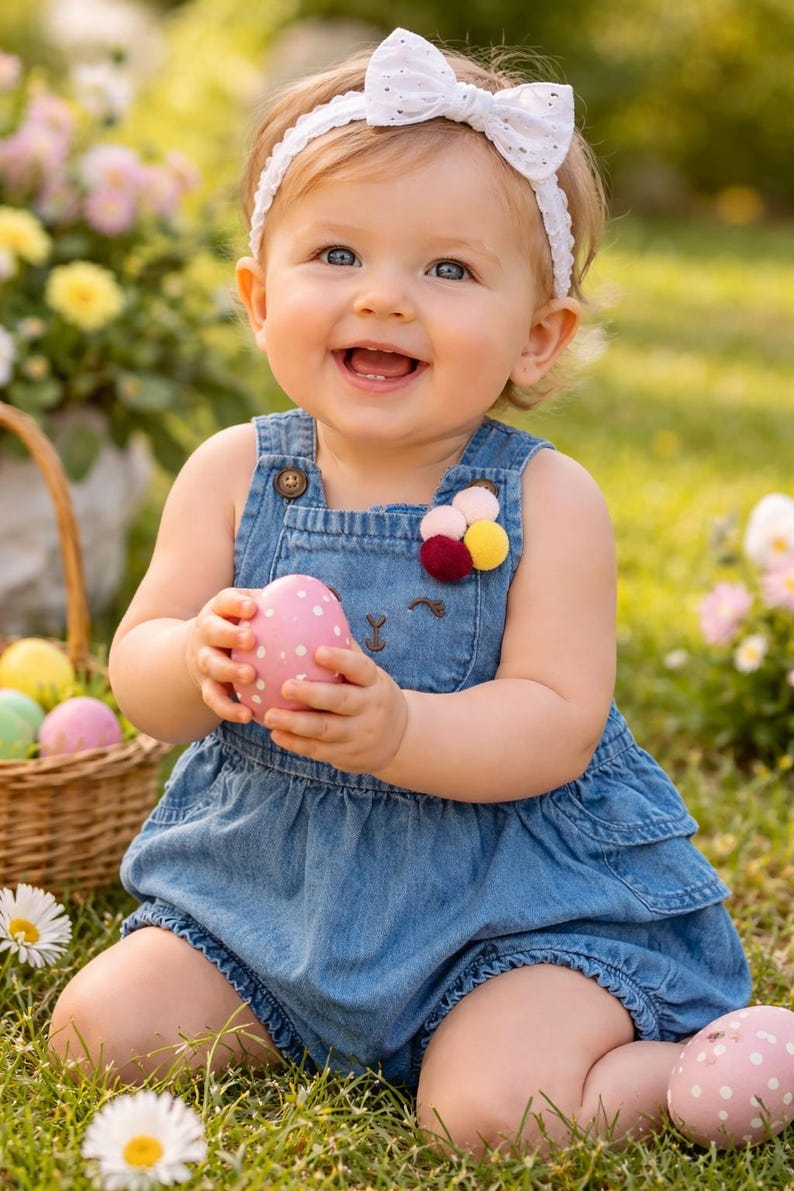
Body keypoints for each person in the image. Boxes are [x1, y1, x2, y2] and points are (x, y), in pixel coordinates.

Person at [50, 27, 751, 1156]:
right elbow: (141, 672)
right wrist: (193, 659)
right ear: (255, 297)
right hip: (266, 895)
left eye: (447, 269)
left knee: (485, 1114)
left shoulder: (547, 501)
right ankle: (312, 1015)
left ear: (538, 335)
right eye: (335, 256)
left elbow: (555, 724)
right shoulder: (232, 473)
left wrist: (400, 730)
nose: (382, 299)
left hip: (507, 910)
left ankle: (680, 1074)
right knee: (96, 1033)